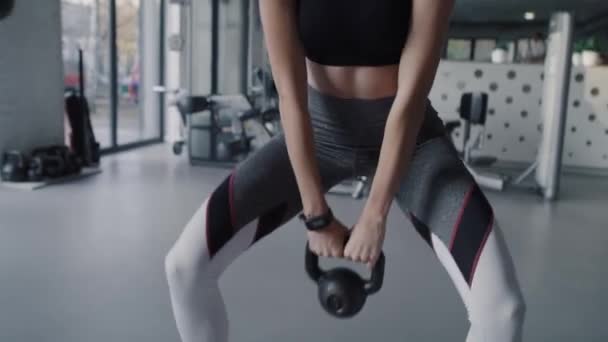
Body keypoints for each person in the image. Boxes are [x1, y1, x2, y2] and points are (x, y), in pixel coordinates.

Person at [164, 1, 526, 341]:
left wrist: (375, 214)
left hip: (412, 141)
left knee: (502, 309)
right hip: (316, 134)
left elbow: (410, 100)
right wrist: (316, 216)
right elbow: (291, 100)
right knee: (184, 268)